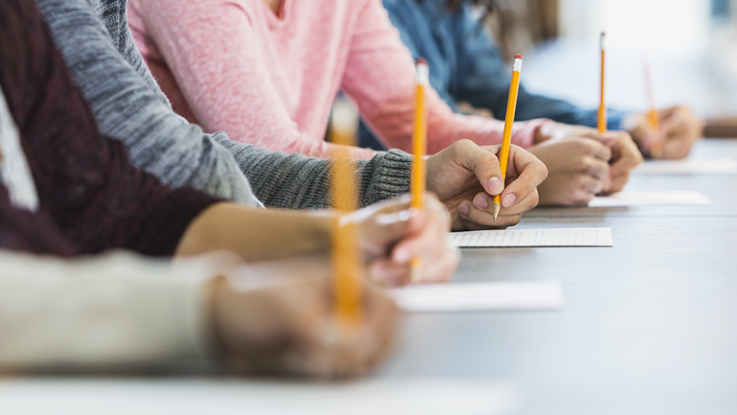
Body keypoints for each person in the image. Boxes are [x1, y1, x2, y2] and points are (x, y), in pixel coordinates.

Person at [39, 0, 547, 229]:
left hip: (236, 232)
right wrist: (322, 239)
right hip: (210, 243)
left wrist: (538, 138)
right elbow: (190, 163)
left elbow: (415, 118)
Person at [126, 0, 639, 207]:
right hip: (203, 234)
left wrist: (540, 140)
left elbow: (415, 119)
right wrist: (447, 177)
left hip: (305, 220)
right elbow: (270, 155)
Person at [375, 0, 703, 161]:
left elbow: (507, 97)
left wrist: (626, 124)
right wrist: (540, 155)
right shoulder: (375, 9)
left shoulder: (449, 9)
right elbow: (413, 132)